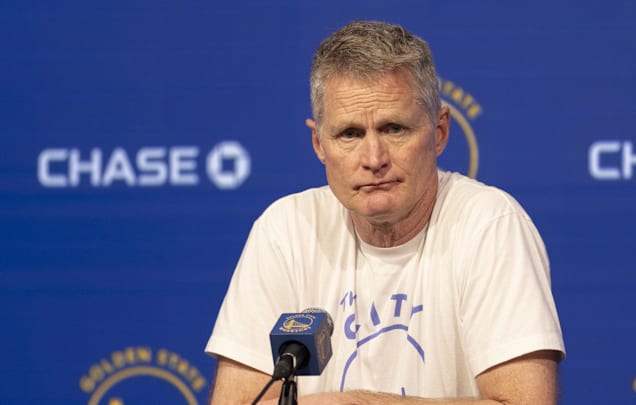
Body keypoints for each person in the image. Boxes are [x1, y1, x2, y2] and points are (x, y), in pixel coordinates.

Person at [205, 20, 565, 405]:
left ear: (440, 131)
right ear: (318, 143)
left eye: (394, 129)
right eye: (349, 134)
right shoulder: (286, 229)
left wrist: (351, 404)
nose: (373, 159)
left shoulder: (490, 226)